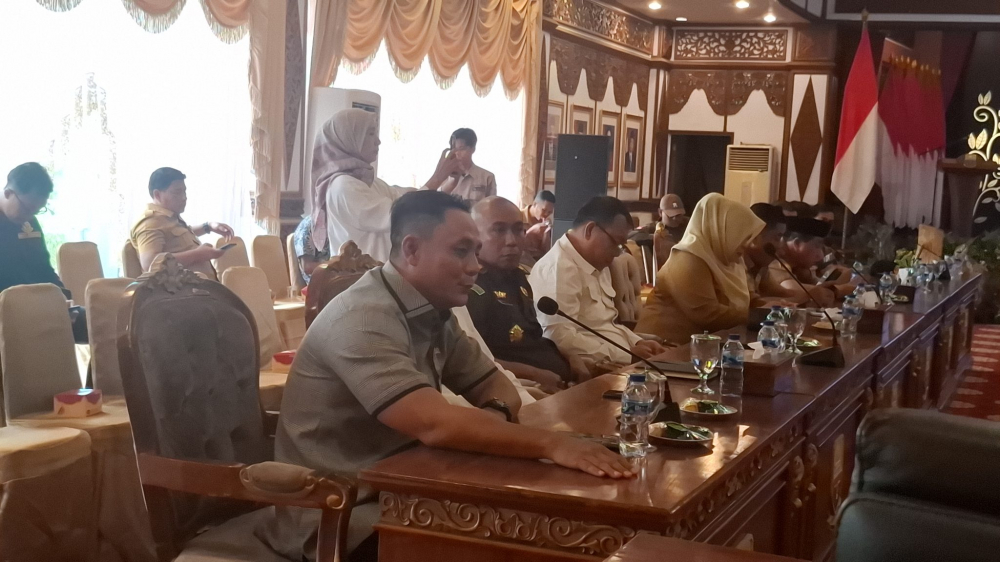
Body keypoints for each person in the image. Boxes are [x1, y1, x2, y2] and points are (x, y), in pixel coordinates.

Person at [264, 191, 634, 561]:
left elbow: (498, 384)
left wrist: (493, 416)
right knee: (526, 540)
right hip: (339, 513)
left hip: (408, 488)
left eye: (476, 251)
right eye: (461, 252)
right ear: (412, 250)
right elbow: (436, 425)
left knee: (548, 525)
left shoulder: (431, 310)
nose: (475, 266)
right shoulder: (363, 318)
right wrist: (553, 445)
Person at [467, 197, 587, 392]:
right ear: (474, 237)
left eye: (518, 230)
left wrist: (569, 355)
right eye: (499, 230)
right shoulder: (471, 287)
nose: (512, 241)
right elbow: (475, 361)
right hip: (522, 390)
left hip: (560, 383)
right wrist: (533, 374)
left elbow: (532, 337)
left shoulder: (519, 277)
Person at [529, 196, 666, 365]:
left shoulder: (597, 263)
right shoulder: (558, 268)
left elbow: (606, 324)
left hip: (619, 361)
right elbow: (558, 337)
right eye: (616, 243)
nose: (618, 252)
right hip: (596, 368)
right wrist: (626, 355)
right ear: (590, 230)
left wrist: (636, 342)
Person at [311, 109, 460, 262]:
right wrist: (437, 178)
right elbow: (401, 213)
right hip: (364, 275)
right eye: (370, 133)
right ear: (350, 139)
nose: (378, 141)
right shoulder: (343, 185)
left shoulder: (367, 181)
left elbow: (406, 198)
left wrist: (448, 183)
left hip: (380, 272)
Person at [636, 194, 764, 345]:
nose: (747, 244)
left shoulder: (728, 258)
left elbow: (741, 298)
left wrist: (767, 306)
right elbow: (707, 314)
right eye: (742, 236)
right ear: (723, 230)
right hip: (663, 346)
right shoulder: (687, 259)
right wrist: (757, 315)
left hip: (706, 346)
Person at [0, 163, 88, 342]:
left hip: (36, 306)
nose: (30, 216)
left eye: (37, 210)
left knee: (97, 322)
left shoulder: (28, 222)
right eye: (27, 209)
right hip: (8, 308)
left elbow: (43, 268)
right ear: (8, 193)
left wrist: (61, 299)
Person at [130, 167, 233, 280]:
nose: (184, 198)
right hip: (181, 290)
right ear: (157, 195)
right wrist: (198, 255)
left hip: (199, 287)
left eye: (184, 191)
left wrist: (208, 226)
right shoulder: (150, 222)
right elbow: (150, 263)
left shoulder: (168, 217)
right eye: (177, 192)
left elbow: (179, 237)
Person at [768, 216, 847, 307]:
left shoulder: (800, 267)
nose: (820, 256)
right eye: (817, 246)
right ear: (797, 244)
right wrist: (836, 291)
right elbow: (790, 288)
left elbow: (818, 285)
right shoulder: (774, 261)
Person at [746, 203, 801, 308]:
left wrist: (815, 293)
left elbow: (784, 293)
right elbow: (751, 304)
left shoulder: (760, 265)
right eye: (777, 237)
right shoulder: (737, 263)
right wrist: (811, 296)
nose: (781, 249)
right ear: (756, 235)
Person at [431, 128, 497, 204]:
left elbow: (491, 207)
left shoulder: (487, 177)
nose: (456, 152)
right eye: (453, 149)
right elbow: (435, 203)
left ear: (473, 149)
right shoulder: (444, 176)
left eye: (461, 149)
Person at [634, 193, 689, 267]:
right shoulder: (653, 227)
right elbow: (632, 235)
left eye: (678, 215)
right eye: (670, 215)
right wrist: (657, 237)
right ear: (660, 212)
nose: (675, 218)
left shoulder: (690, 224)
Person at [292, 215, 329, 285]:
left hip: (340, 278)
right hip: (320, 284)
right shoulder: (309, 227)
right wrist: (336, 266)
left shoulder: (338, 222)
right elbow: (308, 267)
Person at [522, 190, 555, 262]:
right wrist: (531, 231)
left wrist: (546, 236)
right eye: (544, 210)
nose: (546, 214)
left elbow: (546, 253)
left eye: (549, 212)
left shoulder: (546, 221)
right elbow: (515, 246)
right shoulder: (517, 217)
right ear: (534, 204)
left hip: (538, 263)